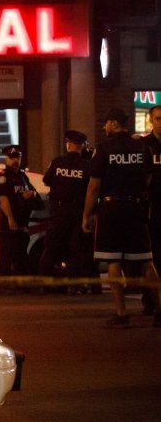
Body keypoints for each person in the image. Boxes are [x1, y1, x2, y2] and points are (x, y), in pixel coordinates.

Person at [81, 107, 161, 328]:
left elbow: (94, 187)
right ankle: (160, 312)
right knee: (146, 260)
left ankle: (122, 313)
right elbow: (148, 177)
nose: (104, 127)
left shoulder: (104, 150)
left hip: (111, 209)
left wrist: (86, 215)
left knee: (114, 260)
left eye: (106, 123)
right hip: (136, 208)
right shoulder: (141, 147)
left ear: (114, 123)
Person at [37, 130, 93, 288]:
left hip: (58, 212)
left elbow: (47, 181)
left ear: (68, 144)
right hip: (77, 212)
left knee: (51, 247)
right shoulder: (86, 166)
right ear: (82, 146)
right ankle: (74, 286)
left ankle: (41, 284)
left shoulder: (57, 162)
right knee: (76, 249)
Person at [0, 144, 41, 277]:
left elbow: (33, 192)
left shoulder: (23, 177)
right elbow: (3, 199)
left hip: (22, 222)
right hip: (10, 223)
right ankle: (3, 286)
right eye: (12, 157)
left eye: (17, 157)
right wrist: (10, 218)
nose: (15, 160)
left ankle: (20, 285)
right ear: (6, 159)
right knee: (6, 256)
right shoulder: (4, 177)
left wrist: (31, 194)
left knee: (21, 255)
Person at [140, 104, 161, 315]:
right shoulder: (145, 146)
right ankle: (150, 299)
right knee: (151, 257)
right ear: (151, 121)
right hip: (152, 209)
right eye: (158, 119)